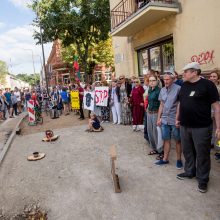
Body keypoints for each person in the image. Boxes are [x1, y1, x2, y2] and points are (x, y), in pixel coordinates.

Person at [176, 62, 220, 193]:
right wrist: (177, 118)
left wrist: (218, 127)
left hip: (201, 127)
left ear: (194, 72)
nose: (183, 74)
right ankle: (190, 172)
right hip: (184, 125)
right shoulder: (184, 85)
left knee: (202, 154)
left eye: (186, 72)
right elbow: (180, 103)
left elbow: (217, 107)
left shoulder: (208, 85)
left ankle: (203, 179)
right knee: (188, 151)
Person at [156, 70, 182, 168]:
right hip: (164, 119)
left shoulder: (179, 88)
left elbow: (180, 104)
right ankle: (165, 159)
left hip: (174, 119)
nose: (166, 81)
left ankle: (179, 160)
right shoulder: (162, 90)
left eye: (168, 79)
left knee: (177, 140)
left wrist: (177, 118)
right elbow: (161, 105)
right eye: (164, 79)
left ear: (173, 79)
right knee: (166, 139)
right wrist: (159, 118)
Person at [147, 75, 162, 158]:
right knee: (150, 132)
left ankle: (160, 151)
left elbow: (161, 104)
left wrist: (160, 116)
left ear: (157, 81)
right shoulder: (149, 90)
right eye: (150, 81)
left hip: (156, 113)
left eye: (153, 80)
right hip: (149, 112)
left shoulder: (159, 91)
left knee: (156, 132)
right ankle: (153, 148)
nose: (151, 82)